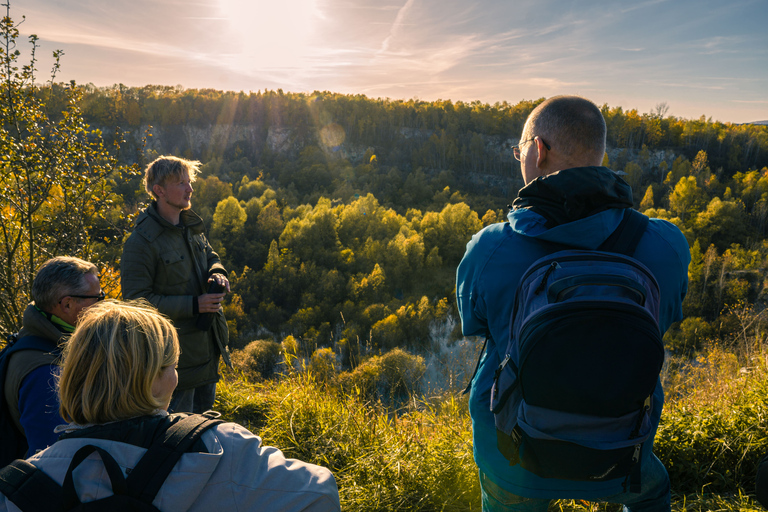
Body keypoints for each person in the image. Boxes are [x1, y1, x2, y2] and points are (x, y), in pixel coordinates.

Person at [456, 96, 690, 511]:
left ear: (538, 150)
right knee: (649, 490)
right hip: (621, 448)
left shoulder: (490, 249)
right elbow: (663, 319)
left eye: (520, 150)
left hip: (515, 455)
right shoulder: (666, 246)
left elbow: (477, 325)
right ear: (599, 153)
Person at [0, 299, 341, 511]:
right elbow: (321, 493)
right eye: (171, 366)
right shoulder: (224, 452)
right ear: (155, 378)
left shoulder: (19, 488)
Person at [121, 155, 230, 414]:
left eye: (189, 182)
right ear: (159, 190)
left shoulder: (190, 225)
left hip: (205, 353)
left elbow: (212, 256)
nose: (190, 189)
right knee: (177, 438)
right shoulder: (141, 242)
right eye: (181, 183)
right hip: (173, 365)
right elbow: (136, 303)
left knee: (205, 430)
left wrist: (217, 273)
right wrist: (195, 305)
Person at [2, 256, 103, 458]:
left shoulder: (37, 338)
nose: (103, 306)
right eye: (98, 298)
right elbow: (54, 458)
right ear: (67, 304)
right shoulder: (47, 373)